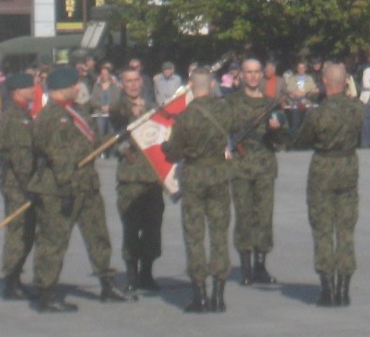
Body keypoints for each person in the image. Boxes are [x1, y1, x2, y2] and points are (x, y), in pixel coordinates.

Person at [29, 65, 129, 312]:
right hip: (59, 189)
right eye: (75, 84)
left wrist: (121, 141)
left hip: (87, 185)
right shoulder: (49, 116)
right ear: (63, 87)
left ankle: (107, 283)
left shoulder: (77, 112)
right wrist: (66, 186)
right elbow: (55, 155)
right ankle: (46, 292)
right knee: (53, 240)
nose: (78, 88)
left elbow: (92, 141)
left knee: (98, 235)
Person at [162, 67, 233, 313]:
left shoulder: (185, 117)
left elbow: (174, 152)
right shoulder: (224, 110)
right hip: (219, 174)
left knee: (194, 235)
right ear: (212, 84)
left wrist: (165, 147)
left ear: (191, 86)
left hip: (193, 176)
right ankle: (220, 294)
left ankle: (200, 294)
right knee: (219, 234)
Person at [293, 62, 363, 306]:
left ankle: (327, 289)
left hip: (323, 168)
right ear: (345, 82)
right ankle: (344, 289)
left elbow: (302, 140)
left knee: (323, 229)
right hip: (347, 167)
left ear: (324, 81)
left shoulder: (317, 114)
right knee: (345, 230)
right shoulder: (357, 109)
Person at [227, 58, 284, 286]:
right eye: (248, 72)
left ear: (262, 74)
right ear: (241, 75)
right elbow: (223, 130)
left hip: (264, 166)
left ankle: (260, 265)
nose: (252, 76)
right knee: (243, 216)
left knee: (264, 215)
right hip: (240, 167)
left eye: (256, 72)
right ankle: (246, 268)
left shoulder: (271, 103)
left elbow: (282, 138)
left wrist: (277, 129)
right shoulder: (231, 102)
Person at [109, 67, 165, 296]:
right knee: (131, 228)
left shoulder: (152, 108)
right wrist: (133, 112)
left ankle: (147, 273)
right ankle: (131, 274)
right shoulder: (118, 107)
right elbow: (116, 125)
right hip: (130, 177)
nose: (132, 85)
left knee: (152, 228)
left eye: (135, 81)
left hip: (152, 177)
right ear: (122, 84)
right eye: (128, 81)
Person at [0, 73, 37, 300]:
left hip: (20, 183)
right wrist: (31, 185)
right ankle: (11, 280)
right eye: (29, 87)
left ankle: (15, 277)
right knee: (18, 232)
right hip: (18, 185)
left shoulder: (22, 114)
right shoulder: (14, 117)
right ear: (18, 91)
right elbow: (20, 157)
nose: (33, 89)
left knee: (26, 232)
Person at [284, 60, 318, 132]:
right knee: (296, 121)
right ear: (297, 69)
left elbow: (314, 90)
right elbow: (288, 90)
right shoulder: (292, 78)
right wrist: (295, 92)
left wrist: (305, 92)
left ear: (305, 69)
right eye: (299, 68)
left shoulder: (309, 78)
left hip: (307, 102)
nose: (301, 69)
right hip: (295, 102)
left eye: (303, 68)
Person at [89, 64, 120, 139]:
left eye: (106, 74)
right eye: (102, 74)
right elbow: (92, 101)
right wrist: (101, 107)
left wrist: (109, 107)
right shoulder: (97, 86)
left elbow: (118, 100)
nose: (104, 75)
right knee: (100, 134)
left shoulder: (114, 86)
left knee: (112, 135)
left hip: (111, 113)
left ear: (109, 75)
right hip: (100, 114)